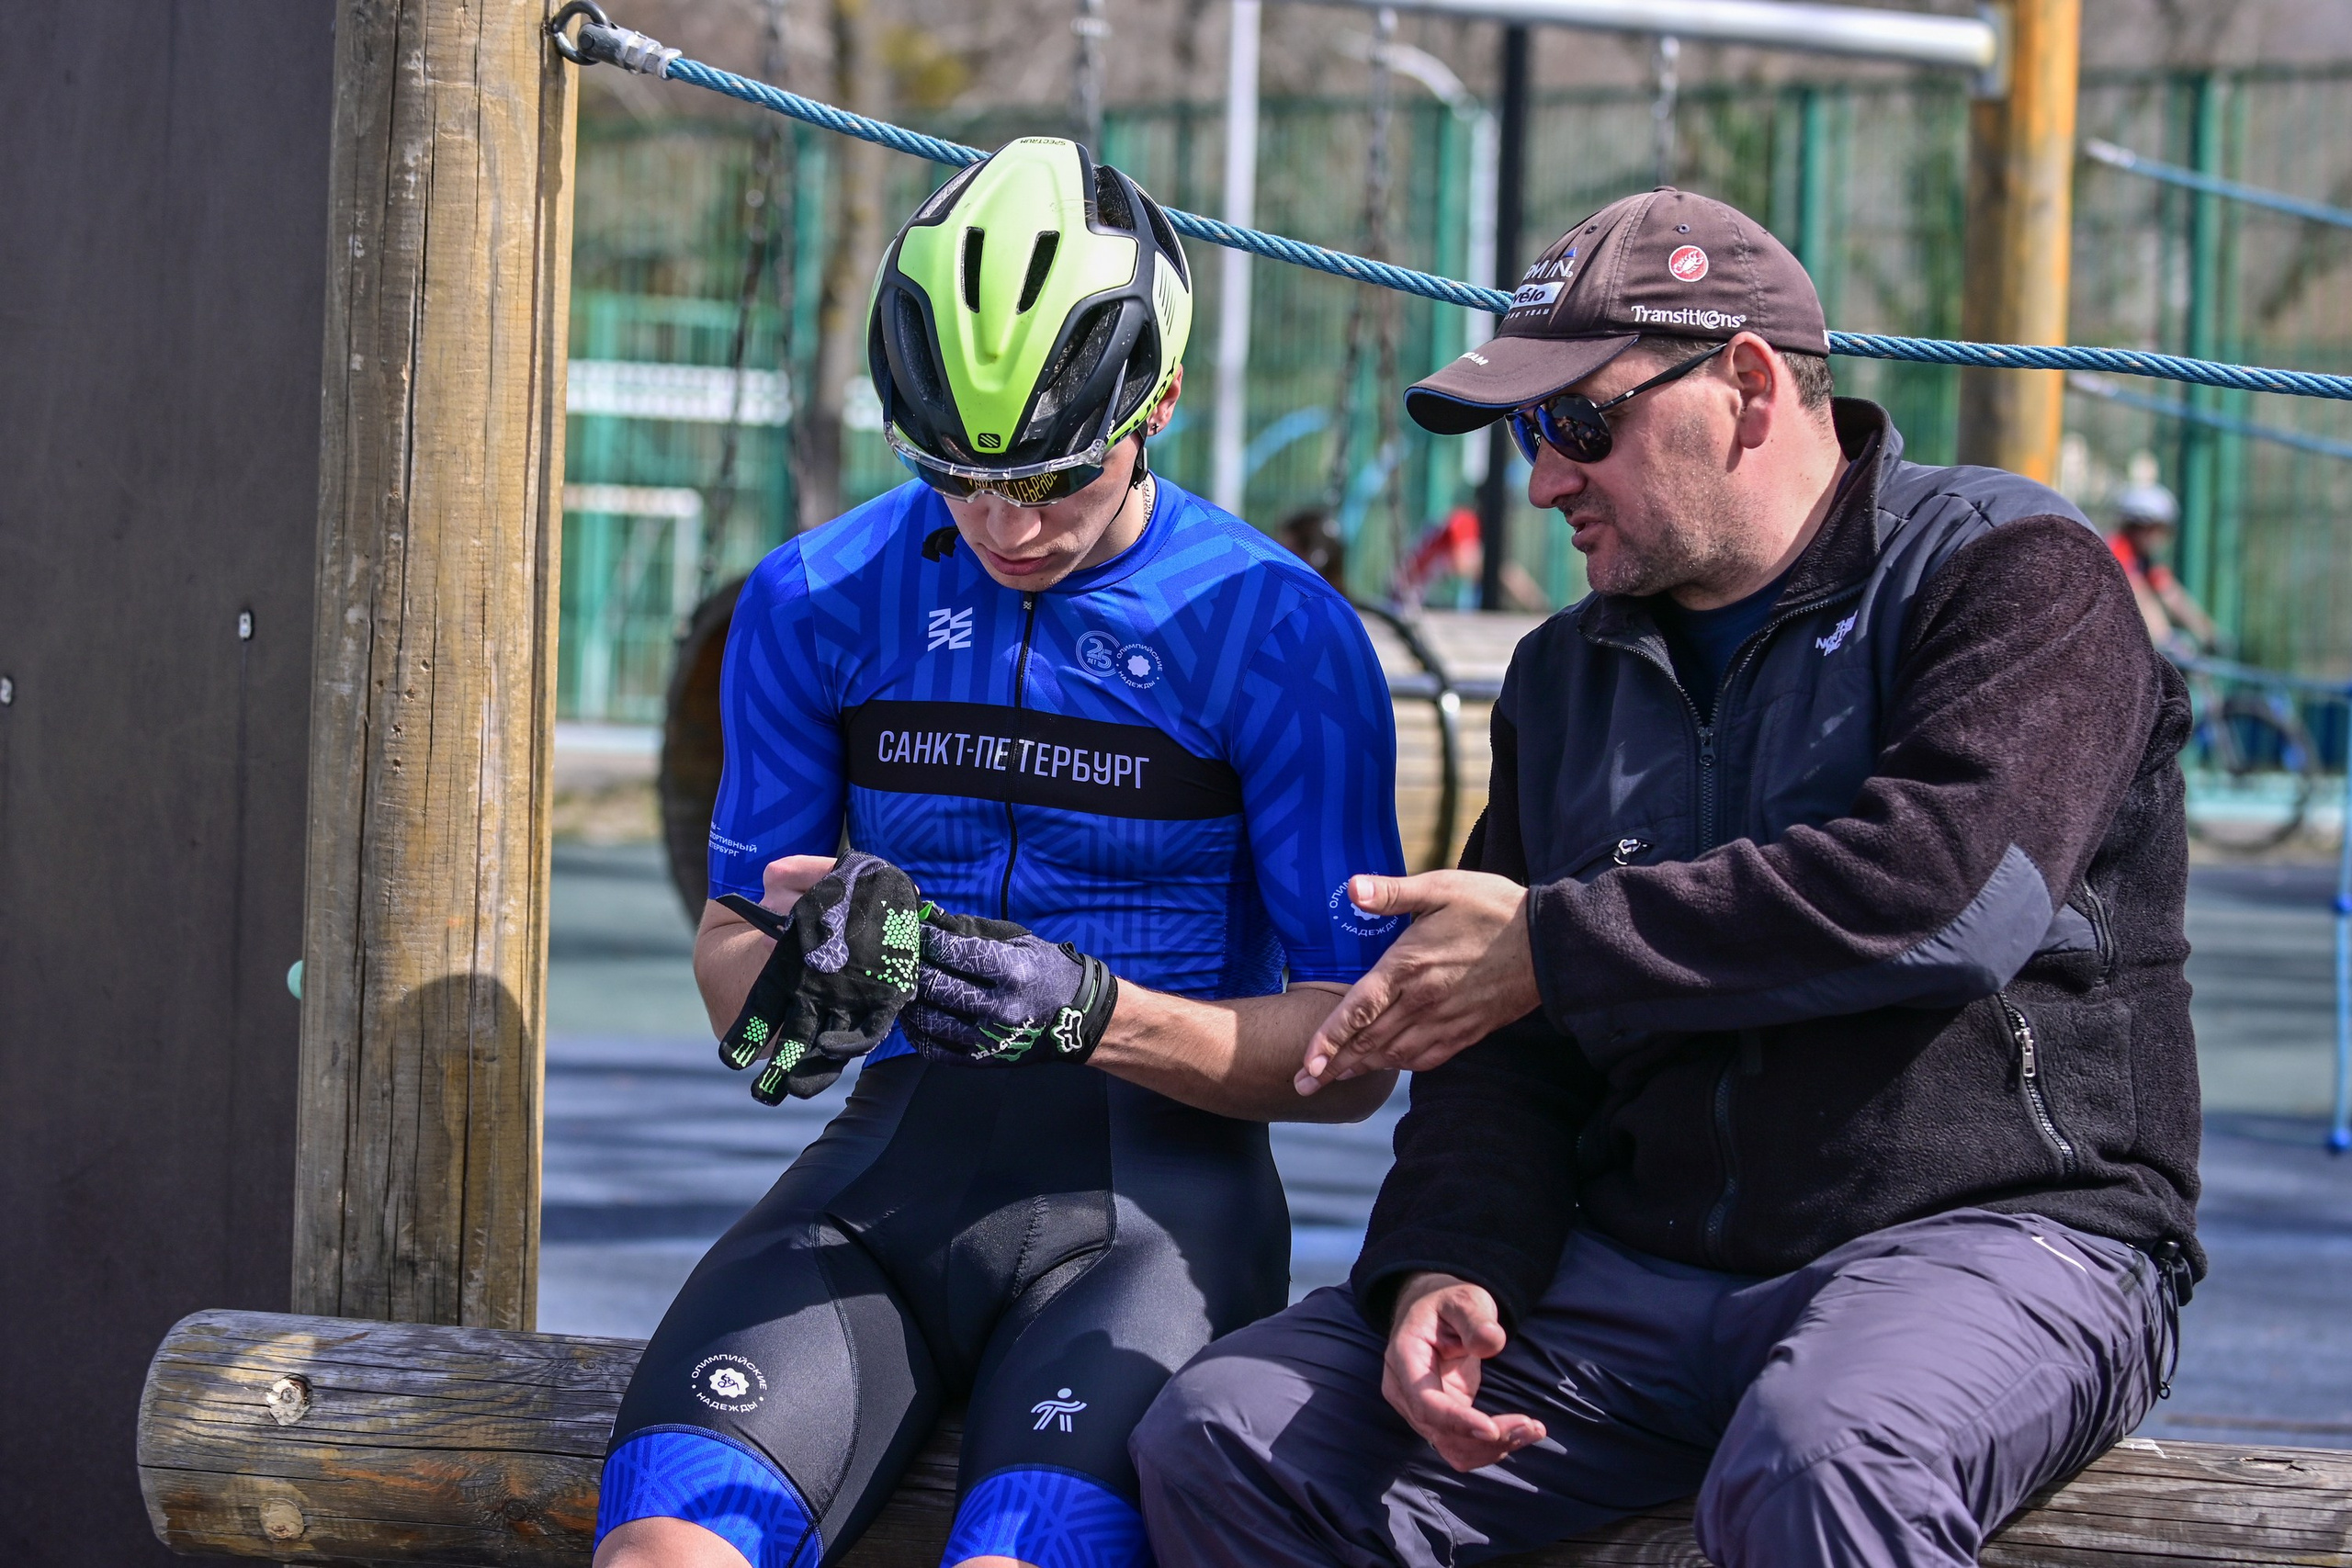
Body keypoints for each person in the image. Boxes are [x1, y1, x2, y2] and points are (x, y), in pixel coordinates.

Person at [1132, 187, 2200, 1568]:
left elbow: (1947, 891)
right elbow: (1498, 1050)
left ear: (1748, 385)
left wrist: (1553, 945)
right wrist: (1451, 1256)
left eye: (1581, 422)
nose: (1544, 477)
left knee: (1825, 1458)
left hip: (1996, 1235)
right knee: (1229, 1434)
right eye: (1529, 433)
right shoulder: (1564, 674)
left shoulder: (2010, 574)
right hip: (1645, 1270)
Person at [593, 139, 1408, 1568]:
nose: (1006, 526)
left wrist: (1098, 1014)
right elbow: (736, 964)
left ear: (1155, 399)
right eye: (955, 479)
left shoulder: (1276, 631)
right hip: (881, 1186)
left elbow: (1359, 1055)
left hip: (1152, 1218)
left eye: (1052, 475)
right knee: (663, 1550)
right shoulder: (816, 598)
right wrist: (798, 984)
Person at [2109, 480, 2219, 651]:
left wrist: (2208, 633)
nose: (2162, 538)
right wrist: (2167, 641)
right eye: (2158, 529)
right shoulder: (2117, 550)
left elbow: (2172, 594)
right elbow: (2139, 595)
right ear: (2140, 526)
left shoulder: (2144, 559)